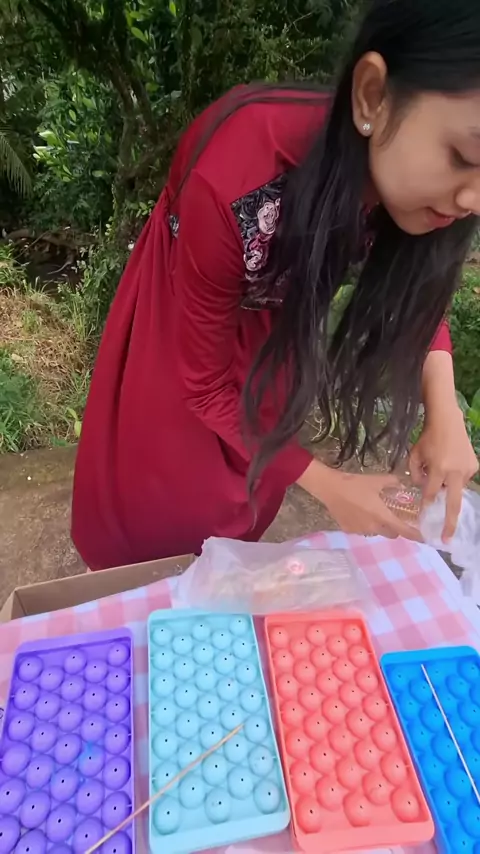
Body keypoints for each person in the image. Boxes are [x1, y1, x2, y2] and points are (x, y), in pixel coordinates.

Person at [72, 0, 479, 571]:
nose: (473, 199)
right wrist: (335, 487)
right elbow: (204, 384)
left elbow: (414, 289)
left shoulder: (420, 192)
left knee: (252, 480)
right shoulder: (237, 177)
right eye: (462, 155)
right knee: (165, 495)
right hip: (191, 311)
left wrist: (445, 409)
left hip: (276, 318)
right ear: (372, 96)